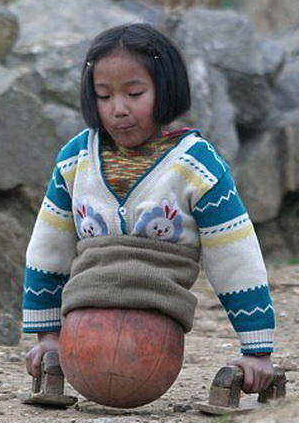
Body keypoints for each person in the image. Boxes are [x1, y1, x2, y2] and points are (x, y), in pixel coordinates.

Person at [22, 22, 275, 394]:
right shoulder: (75, 160)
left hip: (154, 338)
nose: (118, 109)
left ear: (166, 88)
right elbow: (48, 248)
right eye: (103, 95)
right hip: (82, 327)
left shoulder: (196, 168)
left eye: (135, 92)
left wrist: (257, 351)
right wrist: (47, 336)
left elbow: (235, 255)